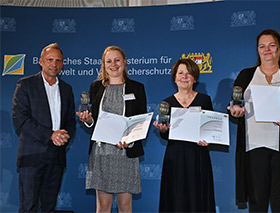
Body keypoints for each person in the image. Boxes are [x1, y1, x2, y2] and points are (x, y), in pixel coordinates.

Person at [227, 29, 280, 212]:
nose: (267, 50)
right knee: (257, 203)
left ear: (279, 49)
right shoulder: (245, 75)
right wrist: (235, 111)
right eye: (262, 46)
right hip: (253, 147)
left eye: (272, 45)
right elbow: (236, 103)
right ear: (257, 50)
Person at [77, 46, 147, 212]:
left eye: (117, 60)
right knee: (103, 207)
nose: (113, 64)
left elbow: (140, 121)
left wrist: (129, 141)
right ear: (103, 64)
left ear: (124, 62)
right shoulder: (96, 87)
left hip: (126, 153)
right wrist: (88, 120)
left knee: (124, 206)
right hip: (102, 152)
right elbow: (93, 119)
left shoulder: (137, 88)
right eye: (109, 61)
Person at [12, 43, 76, 212]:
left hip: (56, 157)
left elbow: (70, 120)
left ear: (62, 64)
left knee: (48, 208)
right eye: (49, 60)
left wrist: (64, 136)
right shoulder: (25, 85)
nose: (54, 64)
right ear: (41, 61)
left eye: (58, 61)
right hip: (32, 156)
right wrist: (50, 135)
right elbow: (20, 119)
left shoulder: (67, 89)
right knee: (29, 207)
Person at [153, 58, 216, 212]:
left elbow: (210, 128)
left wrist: (208, 139)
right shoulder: (166, 103)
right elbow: (166, 136)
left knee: (198, 198)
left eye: (188, 73)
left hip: (198, 156)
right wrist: (163, 130)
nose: (184, 76)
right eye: (180, 73)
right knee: (176, 199)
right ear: (174, 78)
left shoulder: (204, 100)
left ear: (195, 78)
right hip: (176, 157)